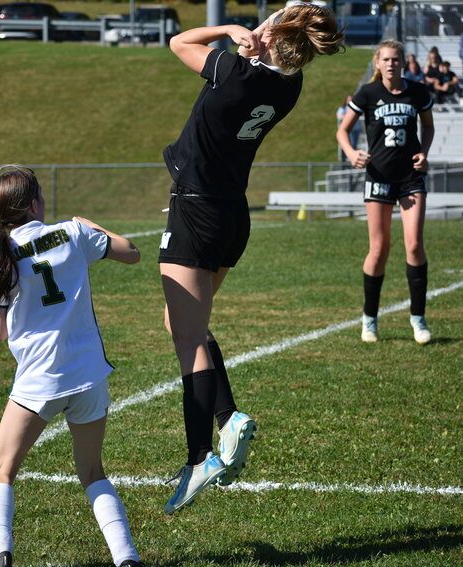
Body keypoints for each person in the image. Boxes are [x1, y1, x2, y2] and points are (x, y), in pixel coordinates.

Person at [158, 5, 343, 515]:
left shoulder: (236, 72)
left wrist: (229, 30)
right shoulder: (289, 86)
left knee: (188, 336)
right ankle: (229, 418)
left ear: (271, 39)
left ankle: (199, 457)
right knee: (183, 321)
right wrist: (260, 39)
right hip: (233, 214)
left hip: (196, 207)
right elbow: (274, 56)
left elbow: (178, 42)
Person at [0, 165, 141, 567]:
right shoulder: (73, 232)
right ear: (35, 203)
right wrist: (90, 224)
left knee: (0, 471)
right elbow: (131, 252)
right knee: (92, 471)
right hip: (88, 375)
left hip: (39, 381)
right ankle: (127, 558)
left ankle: (1, 556)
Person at [336, 40, 435, 345]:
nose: (391, 64)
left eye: (396, 59)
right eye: (386, 59)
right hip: (378, 177)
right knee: (379, 249)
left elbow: (428, 128)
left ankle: (418, 319)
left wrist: (424, 153)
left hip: (410, 178)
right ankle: (370, 320)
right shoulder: (368, 93)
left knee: (415, 245)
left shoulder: (417, 92)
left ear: (404, 62)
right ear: (377, 64)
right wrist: (352, 153)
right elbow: (342, 130)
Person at [337, 95, 362, 161]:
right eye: (348, 100)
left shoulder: (357, 107)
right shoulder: (344, 108)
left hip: (356, 129)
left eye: (351, 100)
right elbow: (339, 115)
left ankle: (353, 158)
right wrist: (348, 117)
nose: (350, 101)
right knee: (349, 144)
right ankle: (346, 159)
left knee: (354, 145)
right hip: (349, 130)